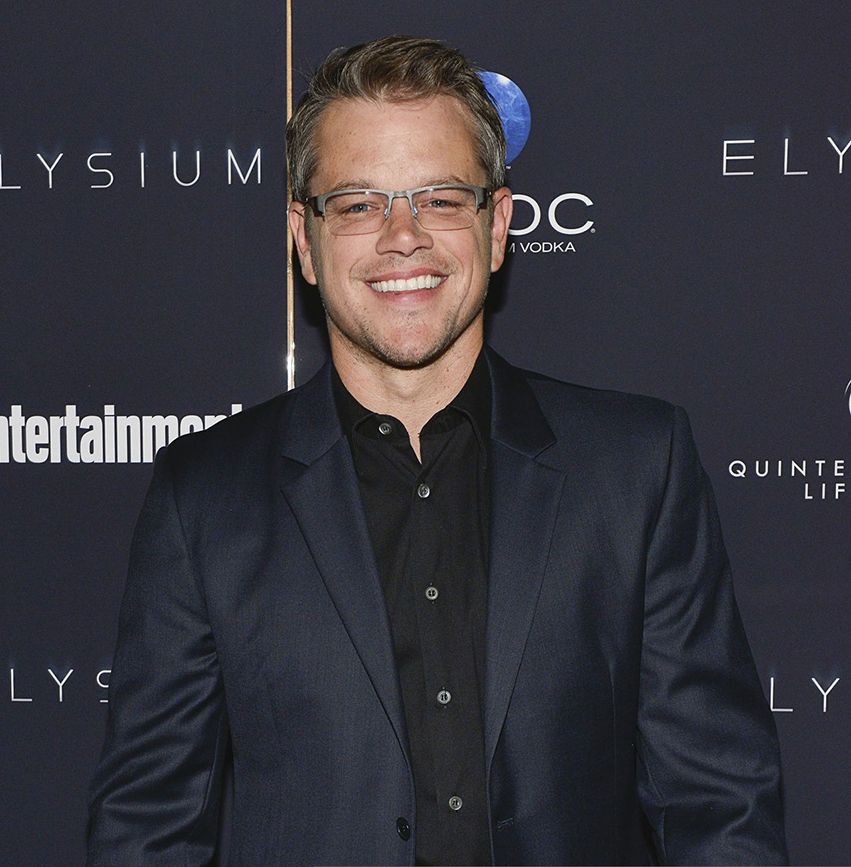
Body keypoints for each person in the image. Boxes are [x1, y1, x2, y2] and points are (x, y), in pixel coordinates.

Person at [87, 35, 787, 866]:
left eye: (441, 198)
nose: (402, 236)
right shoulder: (204, 495)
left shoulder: (636, 468)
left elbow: (717, 807)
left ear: (497, 226)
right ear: (304, 240)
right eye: (358, 203)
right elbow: (149, 829)